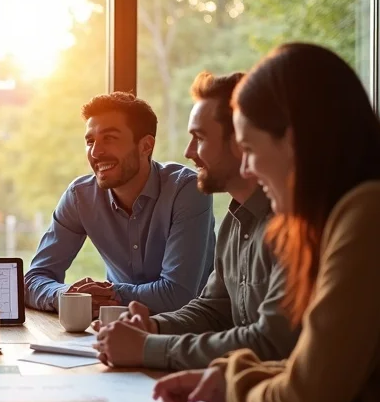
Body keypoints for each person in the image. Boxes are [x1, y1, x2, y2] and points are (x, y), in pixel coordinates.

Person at [153, 43, 380, 402]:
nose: (247, 166)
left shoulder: (373, 212)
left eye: (249, 147)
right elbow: (326, 369)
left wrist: (233, 383)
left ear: (294, 139)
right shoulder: (357, 210)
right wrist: (229, 376)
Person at [94, 72, 298, 370]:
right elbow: (213, 310)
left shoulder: (293, 224)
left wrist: (149, 347)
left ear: (240, 141)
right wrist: (154, 328)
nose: (189, 152)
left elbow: (271, 343)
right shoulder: (235, 220)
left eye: (199, 138)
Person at [24, 92, 216, 315]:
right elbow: (34, 280)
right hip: (117, 329)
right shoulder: (80, 196)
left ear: (145, 146)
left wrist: (109, 294)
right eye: (90, 141)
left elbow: (177, 295)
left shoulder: (187, 190)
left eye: (110, 138)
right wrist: (68, 296)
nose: (96, 152)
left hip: (188, 333)